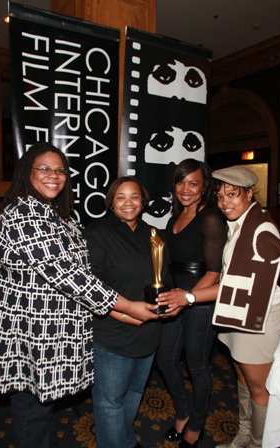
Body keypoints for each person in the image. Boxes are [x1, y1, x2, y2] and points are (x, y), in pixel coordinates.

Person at [0, 143, 159, 448]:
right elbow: (69, 276)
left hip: (54, 336)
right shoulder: (22, 213)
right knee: (32, 412)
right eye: (44, 169)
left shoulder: (62, 217)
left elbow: (87, 273)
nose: (53, 176)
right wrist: (128, 307)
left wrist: (121, 313)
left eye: (60, 170)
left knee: (44, 412)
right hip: (30, 334)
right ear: (27, 172)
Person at [158, 165, 280, 448]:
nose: (225, 202)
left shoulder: (261, 228)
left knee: (258, 388)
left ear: (249, 194)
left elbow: (240, 283)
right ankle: (244, 434)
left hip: (257, 314)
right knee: (241, 376)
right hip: (233, 310)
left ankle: (256, 443)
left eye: (233, 195)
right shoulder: (237, 222)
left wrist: (188, 297)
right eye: (221, 196)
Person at [82, 176, 170, 448]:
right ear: (110, 203)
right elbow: (90, 287)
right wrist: (124, 314)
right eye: (120, 197)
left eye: (134, 196)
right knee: (110, 403)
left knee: (134, 393)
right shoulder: (96, 233)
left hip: (149, 331)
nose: (128, 203)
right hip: (113, 334)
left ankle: (124, 440)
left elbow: (163, 278)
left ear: (143, 201)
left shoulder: (153, 234)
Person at [156, 158, 227, 447]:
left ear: (204, 187)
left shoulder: (210, 218)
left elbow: (214, 272)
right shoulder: (173, 219)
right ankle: (184, 412)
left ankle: (196, 426)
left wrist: (186, 299)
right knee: (166, 360)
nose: (186, 189)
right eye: (181, 182)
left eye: (193, 183)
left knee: (197, 367)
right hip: (177, 299)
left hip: (200, 301)